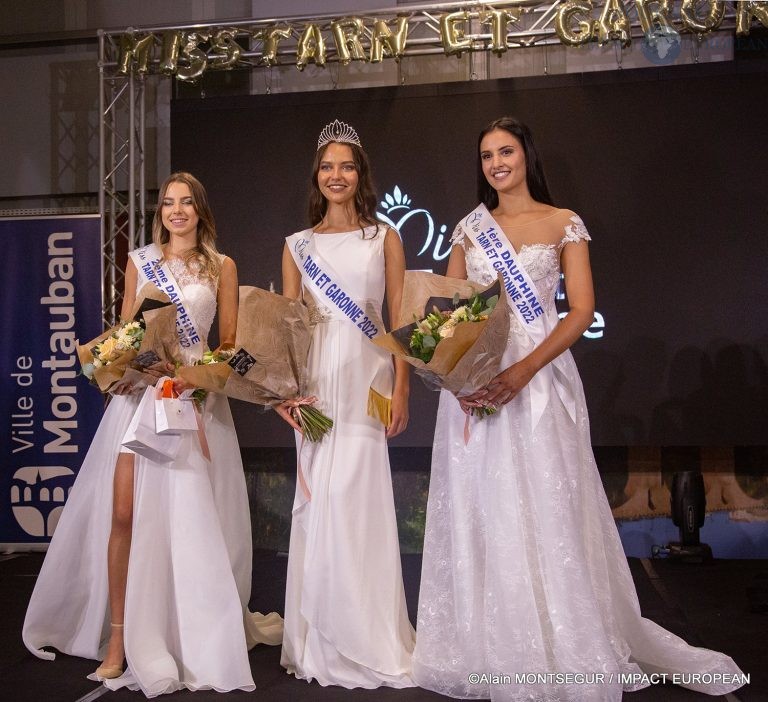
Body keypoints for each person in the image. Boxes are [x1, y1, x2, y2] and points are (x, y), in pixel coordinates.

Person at [411, 118, 746, 701]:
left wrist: (522, 369)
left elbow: (579, 312)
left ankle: (559, 640)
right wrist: (455, 373)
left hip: (537, 378)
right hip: (477, 383)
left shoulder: (564, 223)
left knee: (546, 502)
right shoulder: (469, 228)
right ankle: (492, 646)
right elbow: (451, 312)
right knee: (483, 506)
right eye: (487, 155)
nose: (496, 163)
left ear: (525, 155)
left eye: (506, 151)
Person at [23, 172, 282, 697]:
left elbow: (230, 342)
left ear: (200, 210)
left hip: (195, 405)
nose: (176, 211)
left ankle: (184, 635)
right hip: (142, 402)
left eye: (186, 203)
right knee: (124, 516)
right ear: (159, 211)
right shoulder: (140, 261)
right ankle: (119, 639)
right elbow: (128, 333)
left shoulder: (222, 266)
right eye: (168, 203)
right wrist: (124, 369)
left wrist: (200, 378)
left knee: (188, 525)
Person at [279, 120, 415, 688]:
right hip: (316, 382)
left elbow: (402, 317)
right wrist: (284, 394)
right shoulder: (297, 245)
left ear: (360, 175)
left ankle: (367, 632)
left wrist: (402, 384)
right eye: (328, 166)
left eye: (347, 166)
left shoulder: (383, 237)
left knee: (357, 501)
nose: (337, 175)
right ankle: (319, 637)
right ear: (317, 175)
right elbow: (286, 330)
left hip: (368, 380)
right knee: (319, 497)